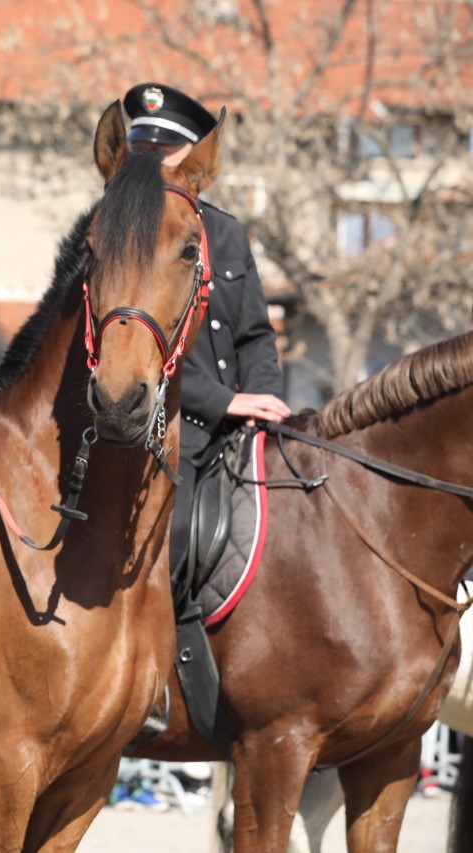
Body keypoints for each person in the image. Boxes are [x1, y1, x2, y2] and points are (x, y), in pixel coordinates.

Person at [120, 83, 290, 584]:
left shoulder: (229, 232)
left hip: (243, 429)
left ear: (196, 159)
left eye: (166, 150)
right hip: (172, 427)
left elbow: (256, 334)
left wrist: (265, 403)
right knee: (176, 542)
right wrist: (224, 403)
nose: (153, 162)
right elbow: (135, 348)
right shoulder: (120, 229)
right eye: (141, 150)